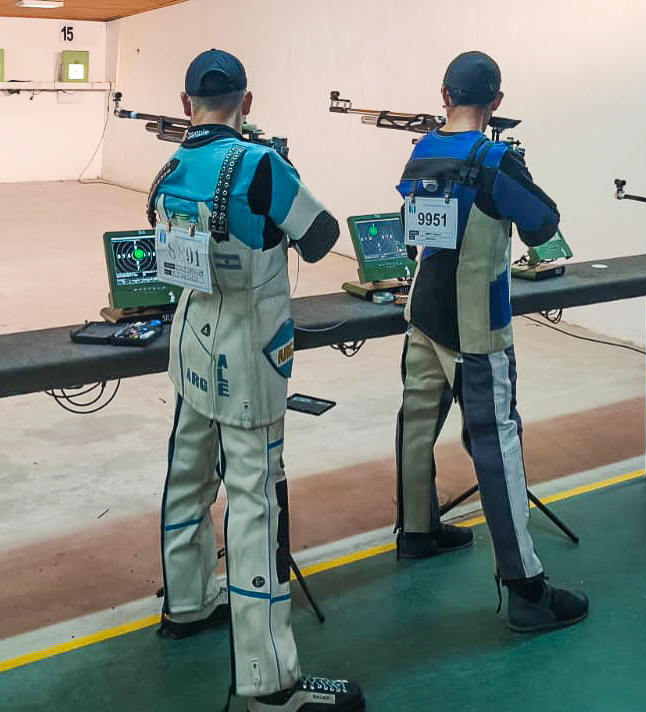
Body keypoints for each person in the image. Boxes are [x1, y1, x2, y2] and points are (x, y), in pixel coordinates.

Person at [152, 49, 364, 712]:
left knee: (188, 477)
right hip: (247, 356)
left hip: (190, 344)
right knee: (254, 506)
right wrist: (279, 174)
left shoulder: (171, 167)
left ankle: (187, 602)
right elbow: (321, 237)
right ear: (247, 101)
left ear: (185, 105)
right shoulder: (261, 166)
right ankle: (270, 682)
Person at [393, 50, 589, 633]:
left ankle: (417, 531)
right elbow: (543, 224)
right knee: (497, 442)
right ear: (496, 101)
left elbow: (410, 220)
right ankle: (526, 589)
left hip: (423, 310)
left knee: (416, 423)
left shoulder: (421, 152)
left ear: (443, 95)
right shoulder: (497, 159)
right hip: (476, 323)